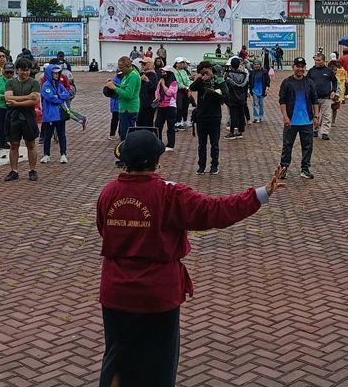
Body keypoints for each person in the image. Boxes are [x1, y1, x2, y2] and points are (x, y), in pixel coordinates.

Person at [95, 129, 283, 387]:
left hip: (116, 292)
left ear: (125, 161)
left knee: (117, 357)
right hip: (157, 293)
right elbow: (215, 211)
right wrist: (260, 195)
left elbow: (104, 231)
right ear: (156, 162)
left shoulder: (108, 193)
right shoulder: (171, 194)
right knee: (158, 363)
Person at [278, 57, 318, 179]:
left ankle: (305, 169)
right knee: (287, 145)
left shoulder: (309, 82)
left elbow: (314, 100)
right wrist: (285, 117)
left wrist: (316, 116)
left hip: (306, 121)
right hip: (291, 121)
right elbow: (282, 101)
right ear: (293, 67)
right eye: (298, 66)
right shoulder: (286, 82)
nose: (300, 69)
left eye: (302, 66)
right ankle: (284, 168)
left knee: (307, 146)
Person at [3, 59, 41, 182]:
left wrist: (17, 102)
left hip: (28, 115)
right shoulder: (10, 82)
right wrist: (27, 97)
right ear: (17, 70)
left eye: (27, 70)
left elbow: (35, 100)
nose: (25, 72)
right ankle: (14, 171)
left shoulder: (34, 83)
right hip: (13, 116)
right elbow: (8, 98)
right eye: (22, 70)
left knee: (30, 143)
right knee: (14, 144)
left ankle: (32, 170)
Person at [103, 57, 141, 164]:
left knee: (127, 134)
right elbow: (124, 88)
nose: (120, 70)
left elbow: (128, 94)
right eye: (119, 67)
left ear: (128, 65)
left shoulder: (133, 76)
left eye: (122, 67)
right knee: (123, 133)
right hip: (124, 108)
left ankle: (127, 159)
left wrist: (114, 88)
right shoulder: (126, 75)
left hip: (129, 109)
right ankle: (125, 157)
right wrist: (114, 85)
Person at [188, 62, 225, 175]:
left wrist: (214, 92)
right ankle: (201, 166)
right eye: (203, 71)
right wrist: (199, 79)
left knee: (214, 144)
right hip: (201, 117)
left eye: (208, 71)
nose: (206, 73)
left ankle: (214, 165)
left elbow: (224, 98)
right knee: (201, 144)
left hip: (214, 117)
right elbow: (191, 87)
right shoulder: (201, 82)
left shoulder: (219, 82)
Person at [39, 63, 73, 164]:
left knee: (62, 135)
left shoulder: (60, 85)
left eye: (58, 73)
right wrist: (59, 97)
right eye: (54, 73)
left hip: (60, 114)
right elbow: (50, 98)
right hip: (49, 115)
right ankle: (46, 155)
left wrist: (58, 96)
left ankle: (63, 154)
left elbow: (67, 94)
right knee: (47, 136)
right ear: (49, 73)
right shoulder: (46, 86)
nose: (57, 75)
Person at [305, 52, 338, 141]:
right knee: (314, 115)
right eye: (316, 60)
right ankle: (314, 129)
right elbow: (306, 82)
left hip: (326, 97)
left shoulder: (329, 71)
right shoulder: (311, 71)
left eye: (319, 60)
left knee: (326, 115)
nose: (317, 62)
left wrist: (333, 91)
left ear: (323, 60)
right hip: (314, 98)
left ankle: (325, 132)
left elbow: (335, 81)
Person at [222, 57, 250, 140]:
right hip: (242, 98)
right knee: (241, 114)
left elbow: (226, 88)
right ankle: (240, 131)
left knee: (233, 115)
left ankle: (232, 132)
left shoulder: (228, 75)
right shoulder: (244, 75)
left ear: (231, 65)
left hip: (232, 97)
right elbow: (245, 87)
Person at [153, 65, 179, 150]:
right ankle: (158, 142)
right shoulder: (161, 80)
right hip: (161, 106)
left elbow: (169, 93)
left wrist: (163, 85)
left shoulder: (174, 82)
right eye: (162, 72)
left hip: (170, 107)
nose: (163, 73)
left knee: (170, 126)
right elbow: (157, 91)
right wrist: (157, 98)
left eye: (165, 72)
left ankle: (170, 145)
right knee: (157, 125)